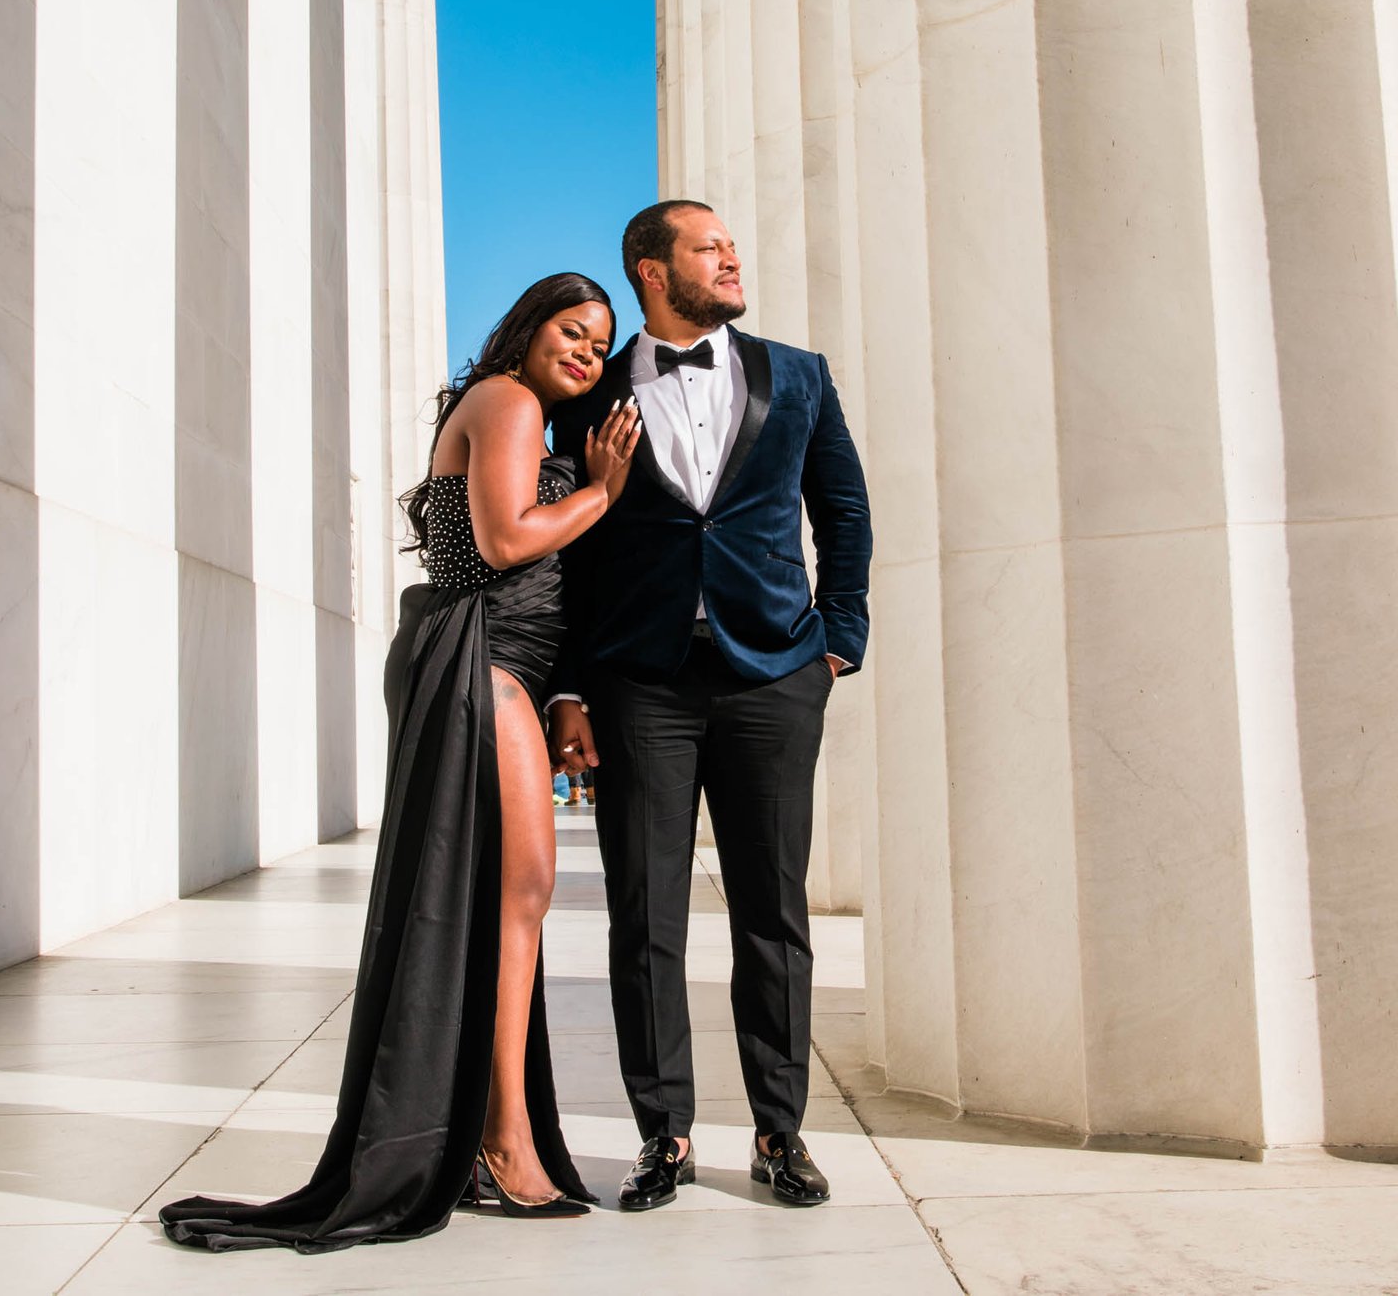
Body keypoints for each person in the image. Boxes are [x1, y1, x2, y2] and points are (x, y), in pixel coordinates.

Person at [162, 273, 643, 1252]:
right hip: (482, 653)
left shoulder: (514, 410)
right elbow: (504, 538)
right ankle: (502, 1140)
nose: (587, 353)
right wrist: (599, 492)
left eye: (599, 343)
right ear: (528, 327)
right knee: (519, 893)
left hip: (496, 657)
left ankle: (483, 1134)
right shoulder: (506, 400)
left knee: (507, 898)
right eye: (571, 330)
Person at [546, 201, 872, 1211]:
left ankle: (780, 1131)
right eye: (707, 246)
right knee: (645, 913)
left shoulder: (798, 373)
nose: (731, 257)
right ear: (650, 269)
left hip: (775, 672)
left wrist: (836, 641)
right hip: (638, 679)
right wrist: (566, 684)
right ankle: (664, 1134)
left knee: (771, 913)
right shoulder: (588, 386)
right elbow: (561, 546)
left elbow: (844, 508)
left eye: (732, 244)